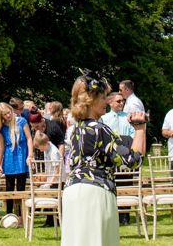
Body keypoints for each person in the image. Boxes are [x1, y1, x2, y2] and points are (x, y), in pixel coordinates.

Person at [62, 74, 146, 246]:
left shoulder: (76, 129)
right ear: (91, 100)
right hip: (95, 192)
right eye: (102, 97)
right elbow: (131, 161)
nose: (106, 101)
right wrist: (140, 129)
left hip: (72, 191)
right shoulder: (100, 129)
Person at [0, 101, 33, 216]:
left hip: (22, 155)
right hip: (9, 157)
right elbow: (1, 147)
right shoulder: (2, 128)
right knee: (9, 187)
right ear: (1, 116)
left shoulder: (22, 121)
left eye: (9, 112)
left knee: (21, 186)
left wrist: (30, 155)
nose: (8, 115)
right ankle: (9, 213)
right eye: (5, 114)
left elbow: (29, 138)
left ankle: (21, 214)